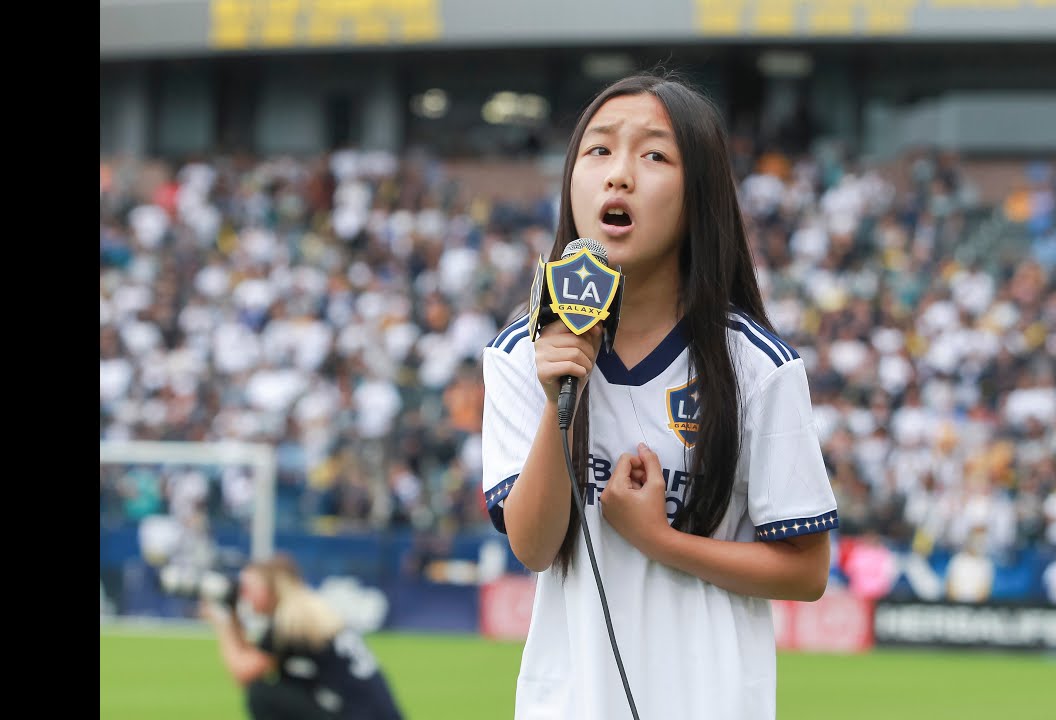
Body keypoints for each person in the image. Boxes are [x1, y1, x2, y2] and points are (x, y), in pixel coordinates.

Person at [481, 70, 838, 720]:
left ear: (697, 193)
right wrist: (565, 396)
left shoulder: (757, 367)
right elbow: (533, 547)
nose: (619, 174)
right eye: (599, 150)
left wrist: (659, 539)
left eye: (653, 155)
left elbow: (806, 572)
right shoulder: (519, 355)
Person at [199, 553, 405, 720]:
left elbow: (244, 673)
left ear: (273, 587)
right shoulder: (307, 609)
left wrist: (223, 623)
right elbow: (253, 657)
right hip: (371, 712)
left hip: (357, 713)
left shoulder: (292, 620)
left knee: (262, 695)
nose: (245, 596)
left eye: (250, 588)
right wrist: (233, 616)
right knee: (289, 683)